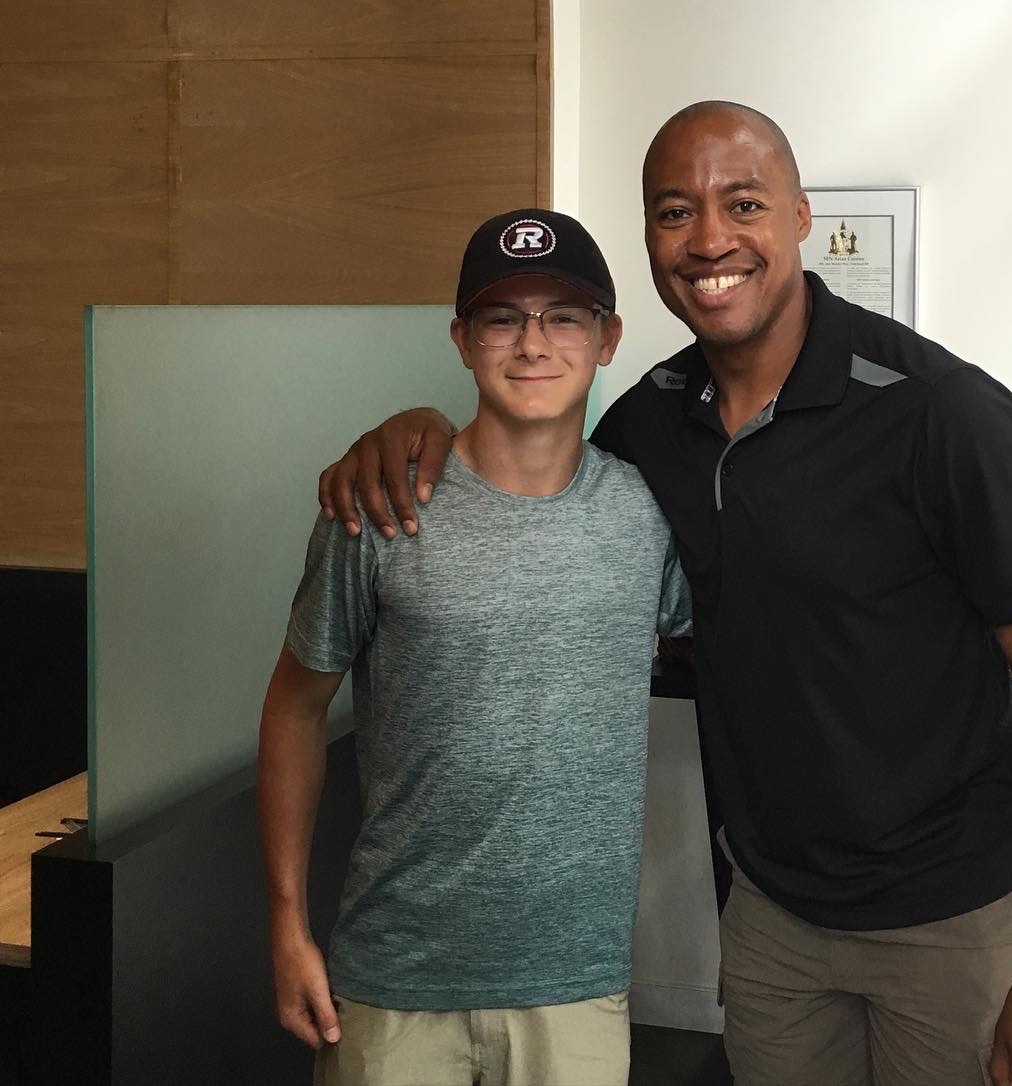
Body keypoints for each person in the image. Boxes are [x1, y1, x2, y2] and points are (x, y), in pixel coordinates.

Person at [319, 102, 1012, 1086]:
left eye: (742, 204)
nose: (707, 240)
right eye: (673, 212)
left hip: (952, 917)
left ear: (800, 217)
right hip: (773, 919)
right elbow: (534, 474)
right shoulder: (651, 424)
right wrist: (412, 433)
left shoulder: (940, 412)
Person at [257, 207, 690, 1086]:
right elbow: (294, 709)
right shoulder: (380, 508)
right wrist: (287, 925)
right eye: (503, 318)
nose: (532, 343)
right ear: (462, 340)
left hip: (575, 989)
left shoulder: (647, 516)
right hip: (394, 985)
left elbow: (771, 632)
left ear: (606, 338)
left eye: (562, 317)